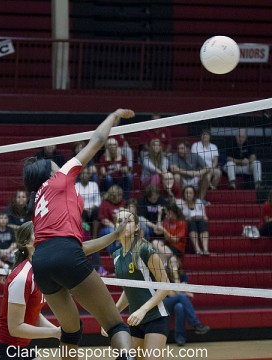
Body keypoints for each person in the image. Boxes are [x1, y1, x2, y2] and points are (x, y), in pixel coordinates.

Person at [23, 109, 136, 360]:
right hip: (64, 253)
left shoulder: (37, 203)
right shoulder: (61, 177)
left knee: (71, 332)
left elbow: (73, 247)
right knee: (116, 325)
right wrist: (114, 115)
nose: (58, 163)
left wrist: (115, 235)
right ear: (50, 171)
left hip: (41, 262)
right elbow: (97, 140)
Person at [0, 219, 129, 360]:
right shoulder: (22, 277)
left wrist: (61, 332)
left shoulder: (43, 270)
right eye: (39, 233)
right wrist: (55, 332)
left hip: (23, 347)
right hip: (3, 349)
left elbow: (33, 313)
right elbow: (15, 328)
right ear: (26, 243)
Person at [113, 210, 170, 358]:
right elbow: (128, 288)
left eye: (128, 221)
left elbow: (166, 285)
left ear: (137, 227)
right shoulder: (116, 256)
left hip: (155, 317)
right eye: (120, 221)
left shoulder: (144, 249)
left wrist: (142, 310)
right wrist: (112, 316)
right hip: (136, 320)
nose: (123, 224)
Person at [164, 256, 210, 346]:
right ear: (168, 265)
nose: (173, 265)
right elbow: (172, 294)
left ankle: (180, 338)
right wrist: (177, 280)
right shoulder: (164, 275)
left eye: (175, 262)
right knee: (182, 296)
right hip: (165, 303)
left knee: (179, 307)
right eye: (171, 263)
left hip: (176, 302)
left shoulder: (183, 275)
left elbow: (189, 294)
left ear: (178, 263)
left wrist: (180, 290)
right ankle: (196, 324)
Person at [75, 168, 103, 274]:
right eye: (83, 174)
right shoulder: (76, 186)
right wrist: (84, 209)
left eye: (87, 173)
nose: (85, 175)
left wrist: (92, 207)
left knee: (96, 210)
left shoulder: (94, 185)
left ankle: (94, 236)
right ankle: (83, 234)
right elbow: (75, 201)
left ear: (89, 175)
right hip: (81, 212)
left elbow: (98, 200)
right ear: (80, 176)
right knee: (82, 213)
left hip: (93, 210)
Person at [176, 186, 210, 255]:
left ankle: (205, 249)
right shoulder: (179, 202)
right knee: (191, 223)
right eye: (186, 193)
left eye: (191, 193)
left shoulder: (199, 202)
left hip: (200, 221)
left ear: (194, 194)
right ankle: (197, 248)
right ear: (183, 194)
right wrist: (185, 218)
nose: (188, 195)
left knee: (202, 223)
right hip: (186, 223)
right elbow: (177, 217)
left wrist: (203, 217)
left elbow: (205, 217)